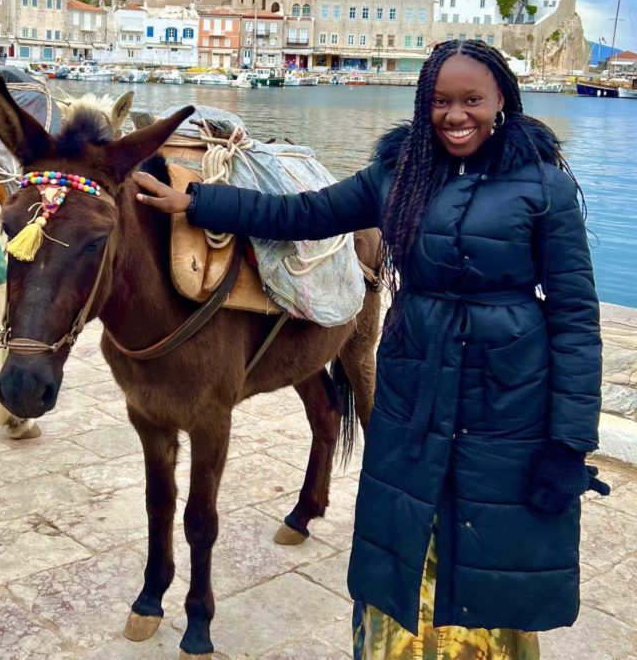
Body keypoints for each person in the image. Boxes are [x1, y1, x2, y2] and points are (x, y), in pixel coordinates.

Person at [134, 40, 607, 660]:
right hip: (414, 385)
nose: (456, 115)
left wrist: (569, 444)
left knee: (492, 544)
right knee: (402, 533)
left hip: (509, 396)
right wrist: (197, 203)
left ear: (502, 102)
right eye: (440, 101)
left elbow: (575, 317)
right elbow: (301, 214)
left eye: (472, 100)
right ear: (423, 105)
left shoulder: (545, 187)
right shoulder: (398, 176)